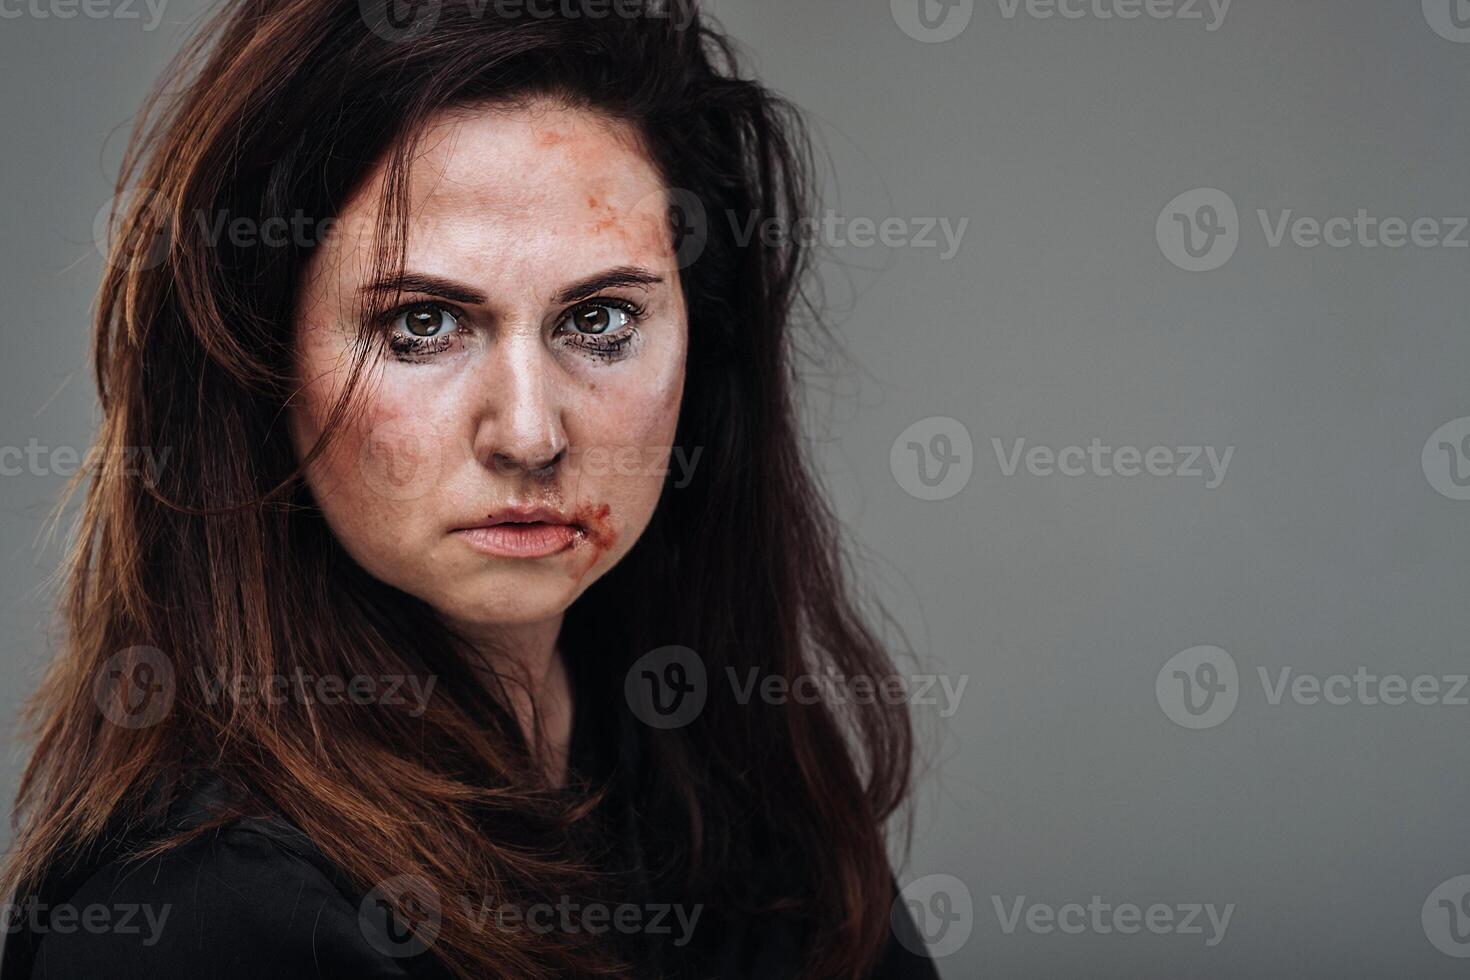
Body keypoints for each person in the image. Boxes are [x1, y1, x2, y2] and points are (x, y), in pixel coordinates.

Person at [0, 2, 939, 977]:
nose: (530, 434)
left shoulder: (729, 790)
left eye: (602, 318)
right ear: (258, 362)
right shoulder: (215, 917)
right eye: (421, 325)